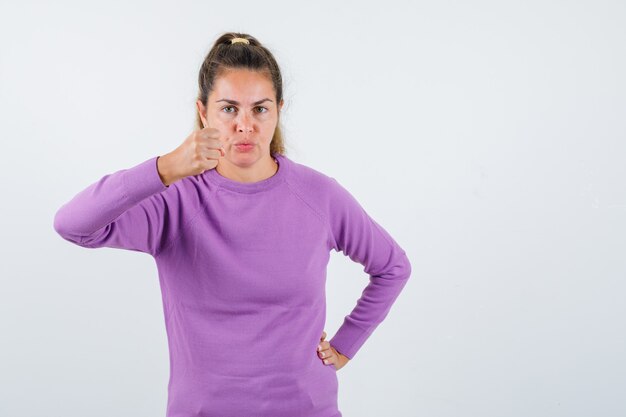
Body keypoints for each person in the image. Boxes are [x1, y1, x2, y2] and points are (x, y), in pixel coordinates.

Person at [53, 32, 412, 417]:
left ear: (278, 111)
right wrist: (166, 167)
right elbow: (73, 225)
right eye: (229, 109)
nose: (245, 125)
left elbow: (392, 267)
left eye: (260, 109)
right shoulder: (175, 201)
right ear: (203, 112)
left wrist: (345, 345)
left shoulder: (319, 196)